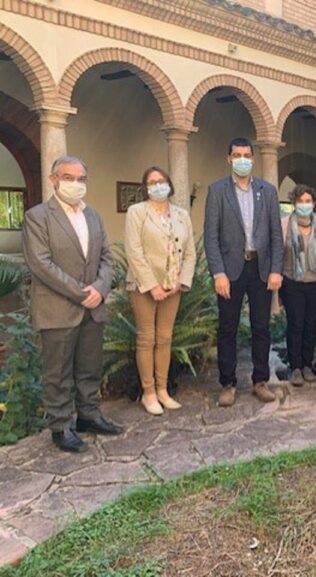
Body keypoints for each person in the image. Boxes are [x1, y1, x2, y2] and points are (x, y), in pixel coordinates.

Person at [22, 156, 122, 452]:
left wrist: (101, 289)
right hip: (58, 309)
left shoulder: (93, 216)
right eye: (69, 177)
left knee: (90, 366)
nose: (75, 184)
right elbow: (41, 264)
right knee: (58, 373)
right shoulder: (38, 216)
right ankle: (61, 425)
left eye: (81, 179)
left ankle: (89, 416)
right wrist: (83, 293)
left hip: (93, 306)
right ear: (54, 179)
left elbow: (107, 258)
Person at [204, 137, 283, 408]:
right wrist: (218, 273)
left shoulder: (268, 191)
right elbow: (210, 236)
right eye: (237, 155)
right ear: (228, 159)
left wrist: (275, 270)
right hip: (230, 269)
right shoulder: (217, 191)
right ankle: (228, 383)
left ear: (253, 158)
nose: (242, 159)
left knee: (261, 326)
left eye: (247, 155)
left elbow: (275, 234)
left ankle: (260, 381)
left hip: (260, 268)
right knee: (228, 327)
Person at [125, 166, 196, 415]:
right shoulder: (137, 212)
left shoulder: (181, 214)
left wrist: (181, 281)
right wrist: (152, 285)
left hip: (173, 286)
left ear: (169, 183)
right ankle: (149, 393)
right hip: (144, 286)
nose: (158, 185)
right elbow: (134, 250)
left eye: (162, 180)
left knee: (165, 338)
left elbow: (190, 252)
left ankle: (163, 390)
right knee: (147, 339)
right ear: (145, 187)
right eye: (152, 182)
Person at [279, 184, 316, 387]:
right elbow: (278, 253)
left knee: (310, 325)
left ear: (314, 203)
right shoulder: (283, 225)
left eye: (308, 201)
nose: (304, 205)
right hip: (292, 282)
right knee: (295, 324)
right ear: (293, 203)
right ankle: (296, 367)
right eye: (300, 201)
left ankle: (308, 365)